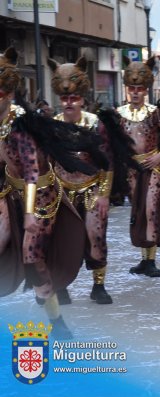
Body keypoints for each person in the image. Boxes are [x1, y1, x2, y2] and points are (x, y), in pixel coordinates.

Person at [0, 47, 96, 338]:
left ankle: (56, 322)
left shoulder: (21, 124)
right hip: (8, 194)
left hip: (40, 197)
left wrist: (29, 212)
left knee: (32, 258)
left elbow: (31, 169)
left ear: (6, 93)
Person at [49, 56, 119, 304]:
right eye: (65, 99)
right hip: (61, 192)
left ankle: (98, 285)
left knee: (95, 234)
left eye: (74, 98)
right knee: (60, 241)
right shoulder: (51, 126)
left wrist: (104, 194)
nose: (69, 103)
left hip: (92, 188)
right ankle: (60, 285)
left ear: (82, 99)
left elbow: (108, 161)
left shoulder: (96, 124)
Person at [117, 56, 160, 278]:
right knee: (138, 212)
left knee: (151, 209)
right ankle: (144, 259)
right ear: (127, 89)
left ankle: (152, 260)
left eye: (140, 88)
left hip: (152, 169)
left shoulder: (154, 113)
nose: (135, 92)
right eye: (132, 88)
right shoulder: (119, 114)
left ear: (146, 90)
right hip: (131, 171)